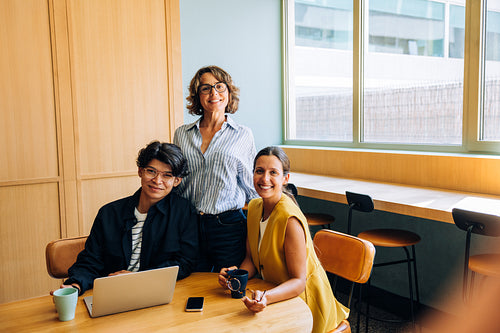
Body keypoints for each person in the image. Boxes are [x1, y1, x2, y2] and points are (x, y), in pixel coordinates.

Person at [218, 146, 349, 333]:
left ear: (285, 179)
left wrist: (266, 297)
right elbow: (251, 260)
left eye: (273, 173)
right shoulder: (254, 207)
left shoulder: (289, 220)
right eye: (259, 171)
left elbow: (298, 282)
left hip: (305, 304)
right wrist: (235, 276)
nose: (265, 179)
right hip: (274, 294)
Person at [51, 141, 199, 295]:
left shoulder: (184, 212)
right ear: (140, 171)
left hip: (156, 292)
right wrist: (75, 285)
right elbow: (90, 261)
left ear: (177, 181)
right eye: (151, 171)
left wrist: (139, 278)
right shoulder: (109, 213)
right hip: (114, 294)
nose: (157, 180)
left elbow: (185, 262)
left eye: (167, 175)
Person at [173, 65, 258, 272]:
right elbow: (175, 180)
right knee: (191, 284)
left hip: (228, 226)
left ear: (229, 93)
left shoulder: (243, 135)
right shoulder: (182, 134)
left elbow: (251, 186)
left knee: (229, 285)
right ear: (197, 95)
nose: (214, 93)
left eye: (220, 87)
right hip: (189, 224)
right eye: (206, 88)